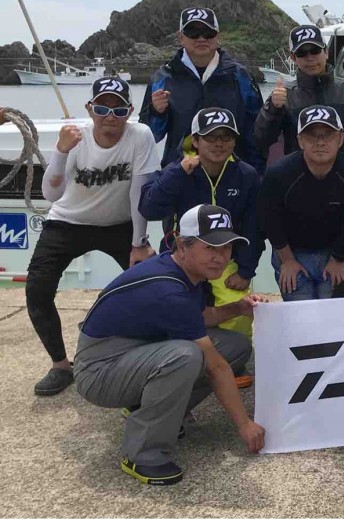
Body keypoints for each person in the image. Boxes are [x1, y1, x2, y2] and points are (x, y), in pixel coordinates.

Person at [74, 204, 265, 486]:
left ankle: (153, 410)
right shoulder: (168, 288)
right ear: (181, 245)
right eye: (210, 248)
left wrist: (238, 307)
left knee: (235, 346)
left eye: (226, 248)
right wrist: (245, 425)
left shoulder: (189, 273)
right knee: (186, 356)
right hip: (99, 369)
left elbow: (200, 318)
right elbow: (215, 366)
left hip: (132, 354)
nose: (220, 258)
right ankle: (142, 454)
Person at [26, 77, 160, 396]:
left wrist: (139, 243)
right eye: (102, 108)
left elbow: (139, 194)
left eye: (118, 110)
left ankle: (148, 355)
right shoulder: (75, 138)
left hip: (119, 225)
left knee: (154, 287)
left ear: (130, 111)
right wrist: (60, 151)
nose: (110, 117)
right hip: (67, 222)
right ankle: (60, 365)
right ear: (90, 109)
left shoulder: (140, 136)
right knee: (37, 290)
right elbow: (50, 194)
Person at [139, 108, 263, 338]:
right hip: (182, 259)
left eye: (226, 137)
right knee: (175, 317)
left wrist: (246, 270)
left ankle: (232, 363)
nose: (219, 144)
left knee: (238, 320)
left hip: (227, 259)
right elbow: (149, 209)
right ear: (195, 140)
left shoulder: (247, 175)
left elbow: (254, 227)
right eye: (210, 137)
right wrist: (177, 173)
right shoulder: (177, 171)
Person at [258, 105, 344, 301]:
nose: (320, 142)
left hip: (337, 253)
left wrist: (337, 258)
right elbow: (270, 220)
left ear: (341, 139)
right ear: (300, 140)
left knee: (333, 317)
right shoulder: (278, 173)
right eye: (311, 135)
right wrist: (287, 261)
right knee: (301, 318)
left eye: (328, 135)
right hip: (292, 252)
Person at [139, 7, 264, 171]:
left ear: (217, 36)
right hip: (181, 173)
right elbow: (150, 137)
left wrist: (257, 173)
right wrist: (157, 112)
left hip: (232, 174)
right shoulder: (163, 78)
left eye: (208, 32)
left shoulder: (240, 76)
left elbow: (256, 130)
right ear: (181, 37)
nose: (201, 38)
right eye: (193, 32)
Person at [252, 24, 344, 158]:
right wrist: (273, 109)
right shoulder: (284, 96)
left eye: (315, 50)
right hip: (299, 174)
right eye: (302, 52)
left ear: (326, 52)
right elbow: (261, 139)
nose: (310, 58)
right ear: (293, 58)